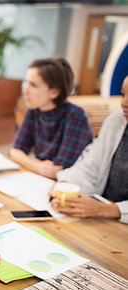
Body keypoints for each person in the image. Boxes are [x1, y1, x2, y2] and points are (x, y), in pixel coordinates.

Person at [51, 76, 128, 223]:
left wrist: (106, 209)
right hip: (102, 221)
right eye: (123, 94)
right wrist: (66, 185)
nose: (124, 103)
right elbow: (89, 165)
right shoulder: (116, 121)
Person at [9, 57, 94, 179]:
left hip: (72, 185)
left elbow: (59, 169)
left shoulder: (75, 116)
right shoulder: (34, 110)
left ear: (54, 92)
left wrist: (31, 163)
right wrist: (37, 165)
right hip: (42, 179)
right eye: (26, 83)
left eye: (33, 85)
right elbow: (15, 151)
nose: (25, 90)